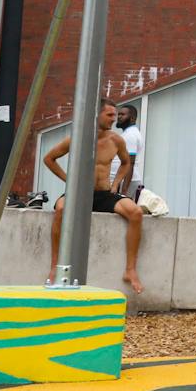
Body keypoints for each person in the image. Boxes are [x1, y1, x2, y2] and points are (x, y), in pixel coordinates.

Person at [43, 102, 145, 293]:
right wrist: (69, 180)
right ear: (96, 115)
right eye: (109, 115)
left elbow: (125, 163)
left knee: (136, 213)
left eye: (115, 115)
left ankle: (130, 270)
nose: (114, 119)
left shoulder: (117, 140)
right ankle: (55, 266)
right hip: (79, 193)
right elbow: (49, 159)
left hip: (104, 193)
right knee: (61, 209)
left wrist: (116, 184)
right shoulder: (78, 139)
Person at [110, 102, 143, 194]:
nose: (119, 117)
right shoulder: (129, 133)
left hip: (125, 182)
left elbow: (130, 163)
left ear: (132, 118)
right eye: (119, 114)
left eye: (123, 114)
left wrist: (124, 191)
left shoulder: (130, 135)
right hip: (122, 181)